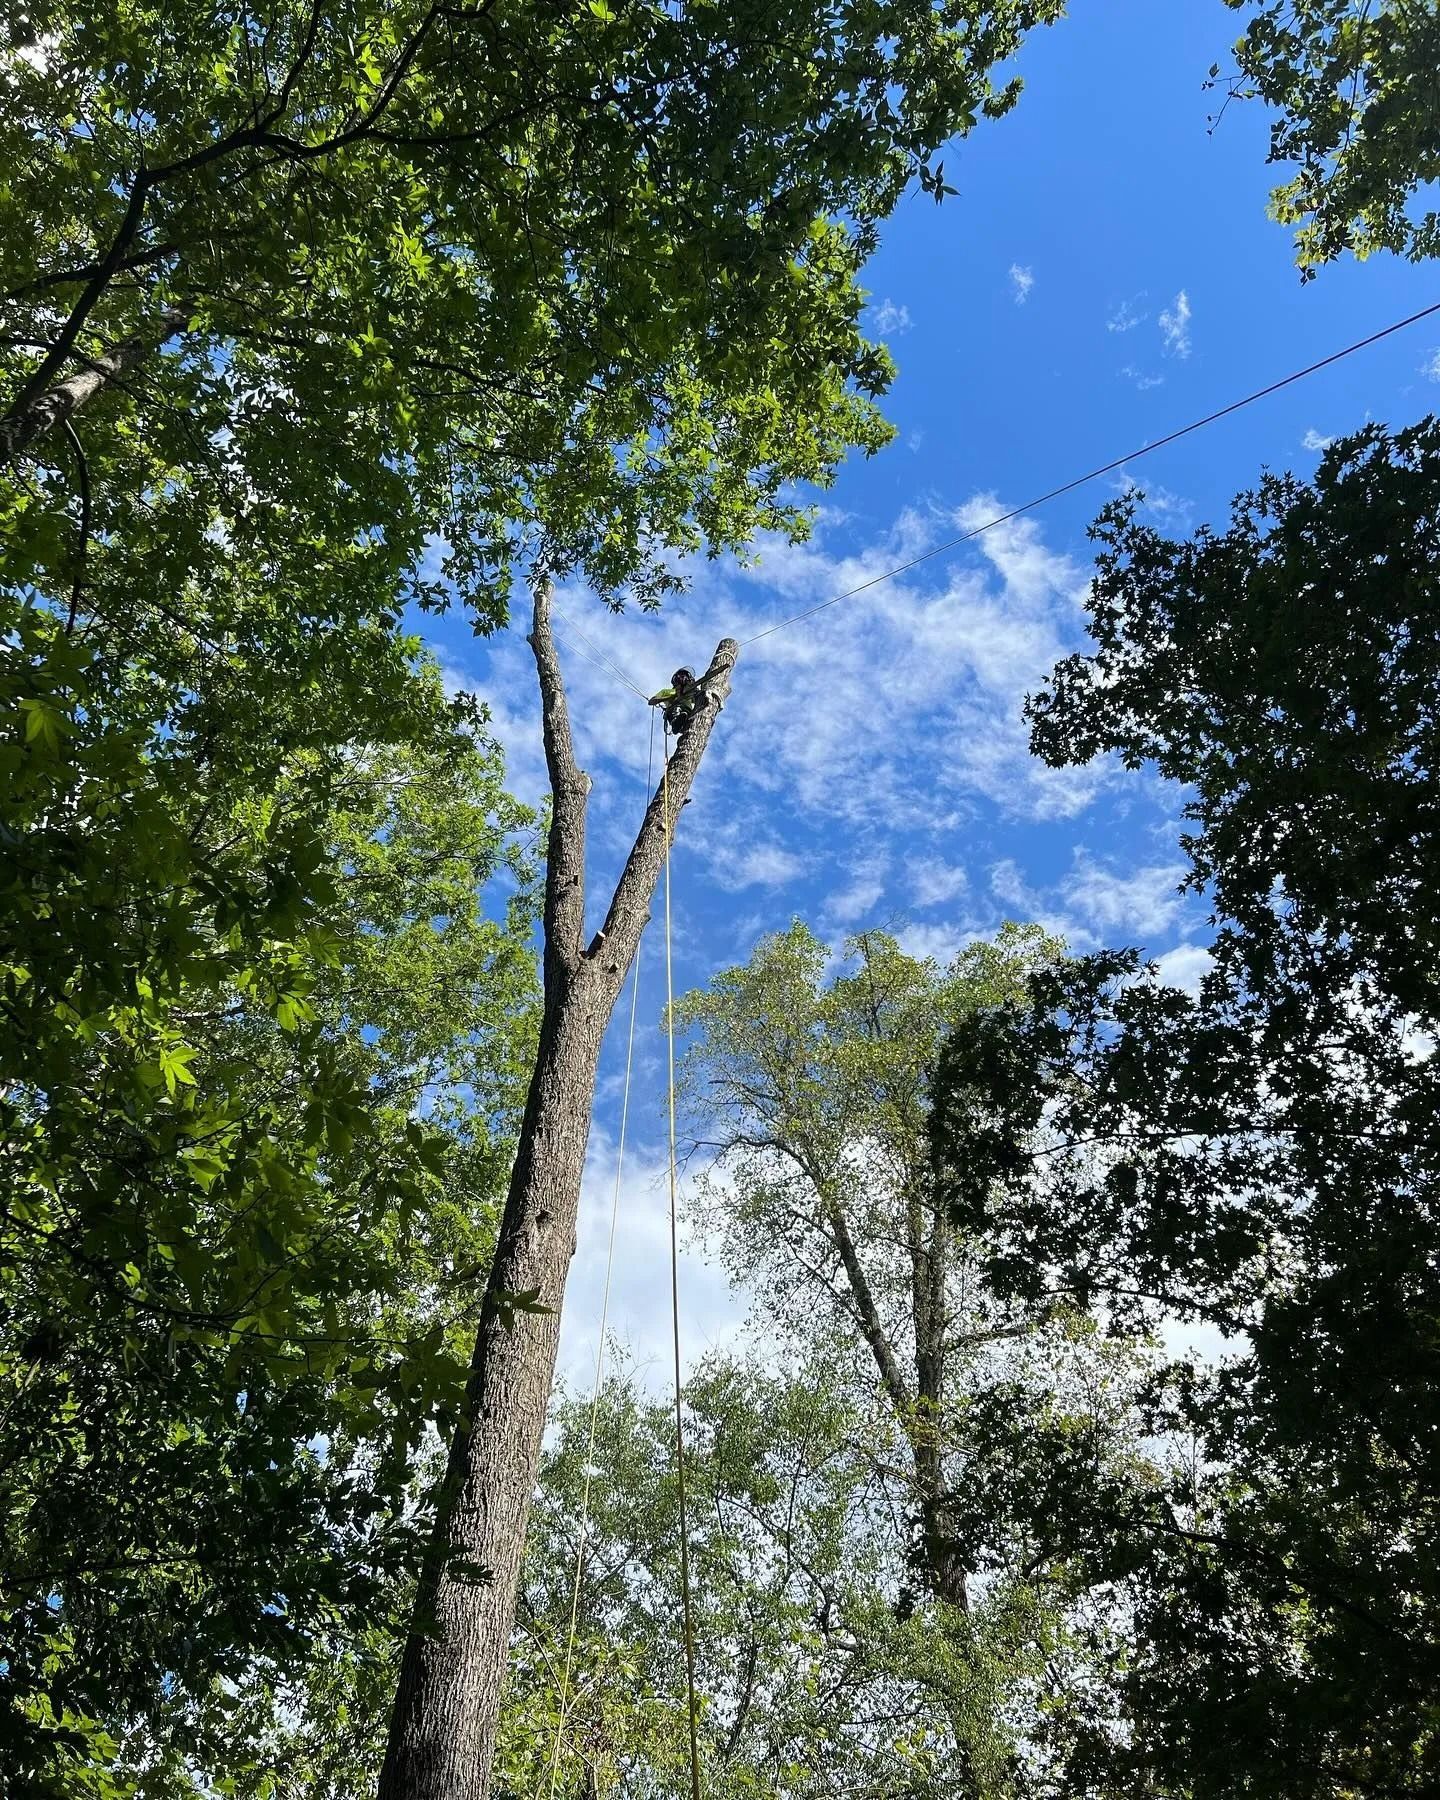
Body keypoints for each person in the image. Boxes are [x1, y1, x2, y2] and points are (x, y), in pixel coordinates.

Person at [648, 666, 707, 734]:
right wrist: (671, 697)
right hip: (673, 711)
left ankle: (683, 723)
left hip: (688, 712)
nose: (681, 677)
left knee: (685, 714)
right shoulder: (667, 692)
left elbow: (700, 696)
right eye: (680, 676)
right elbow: (651, 701)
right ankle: (676, 723)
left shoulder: (690, 689)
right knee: (677, 709)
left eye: (683, 676)